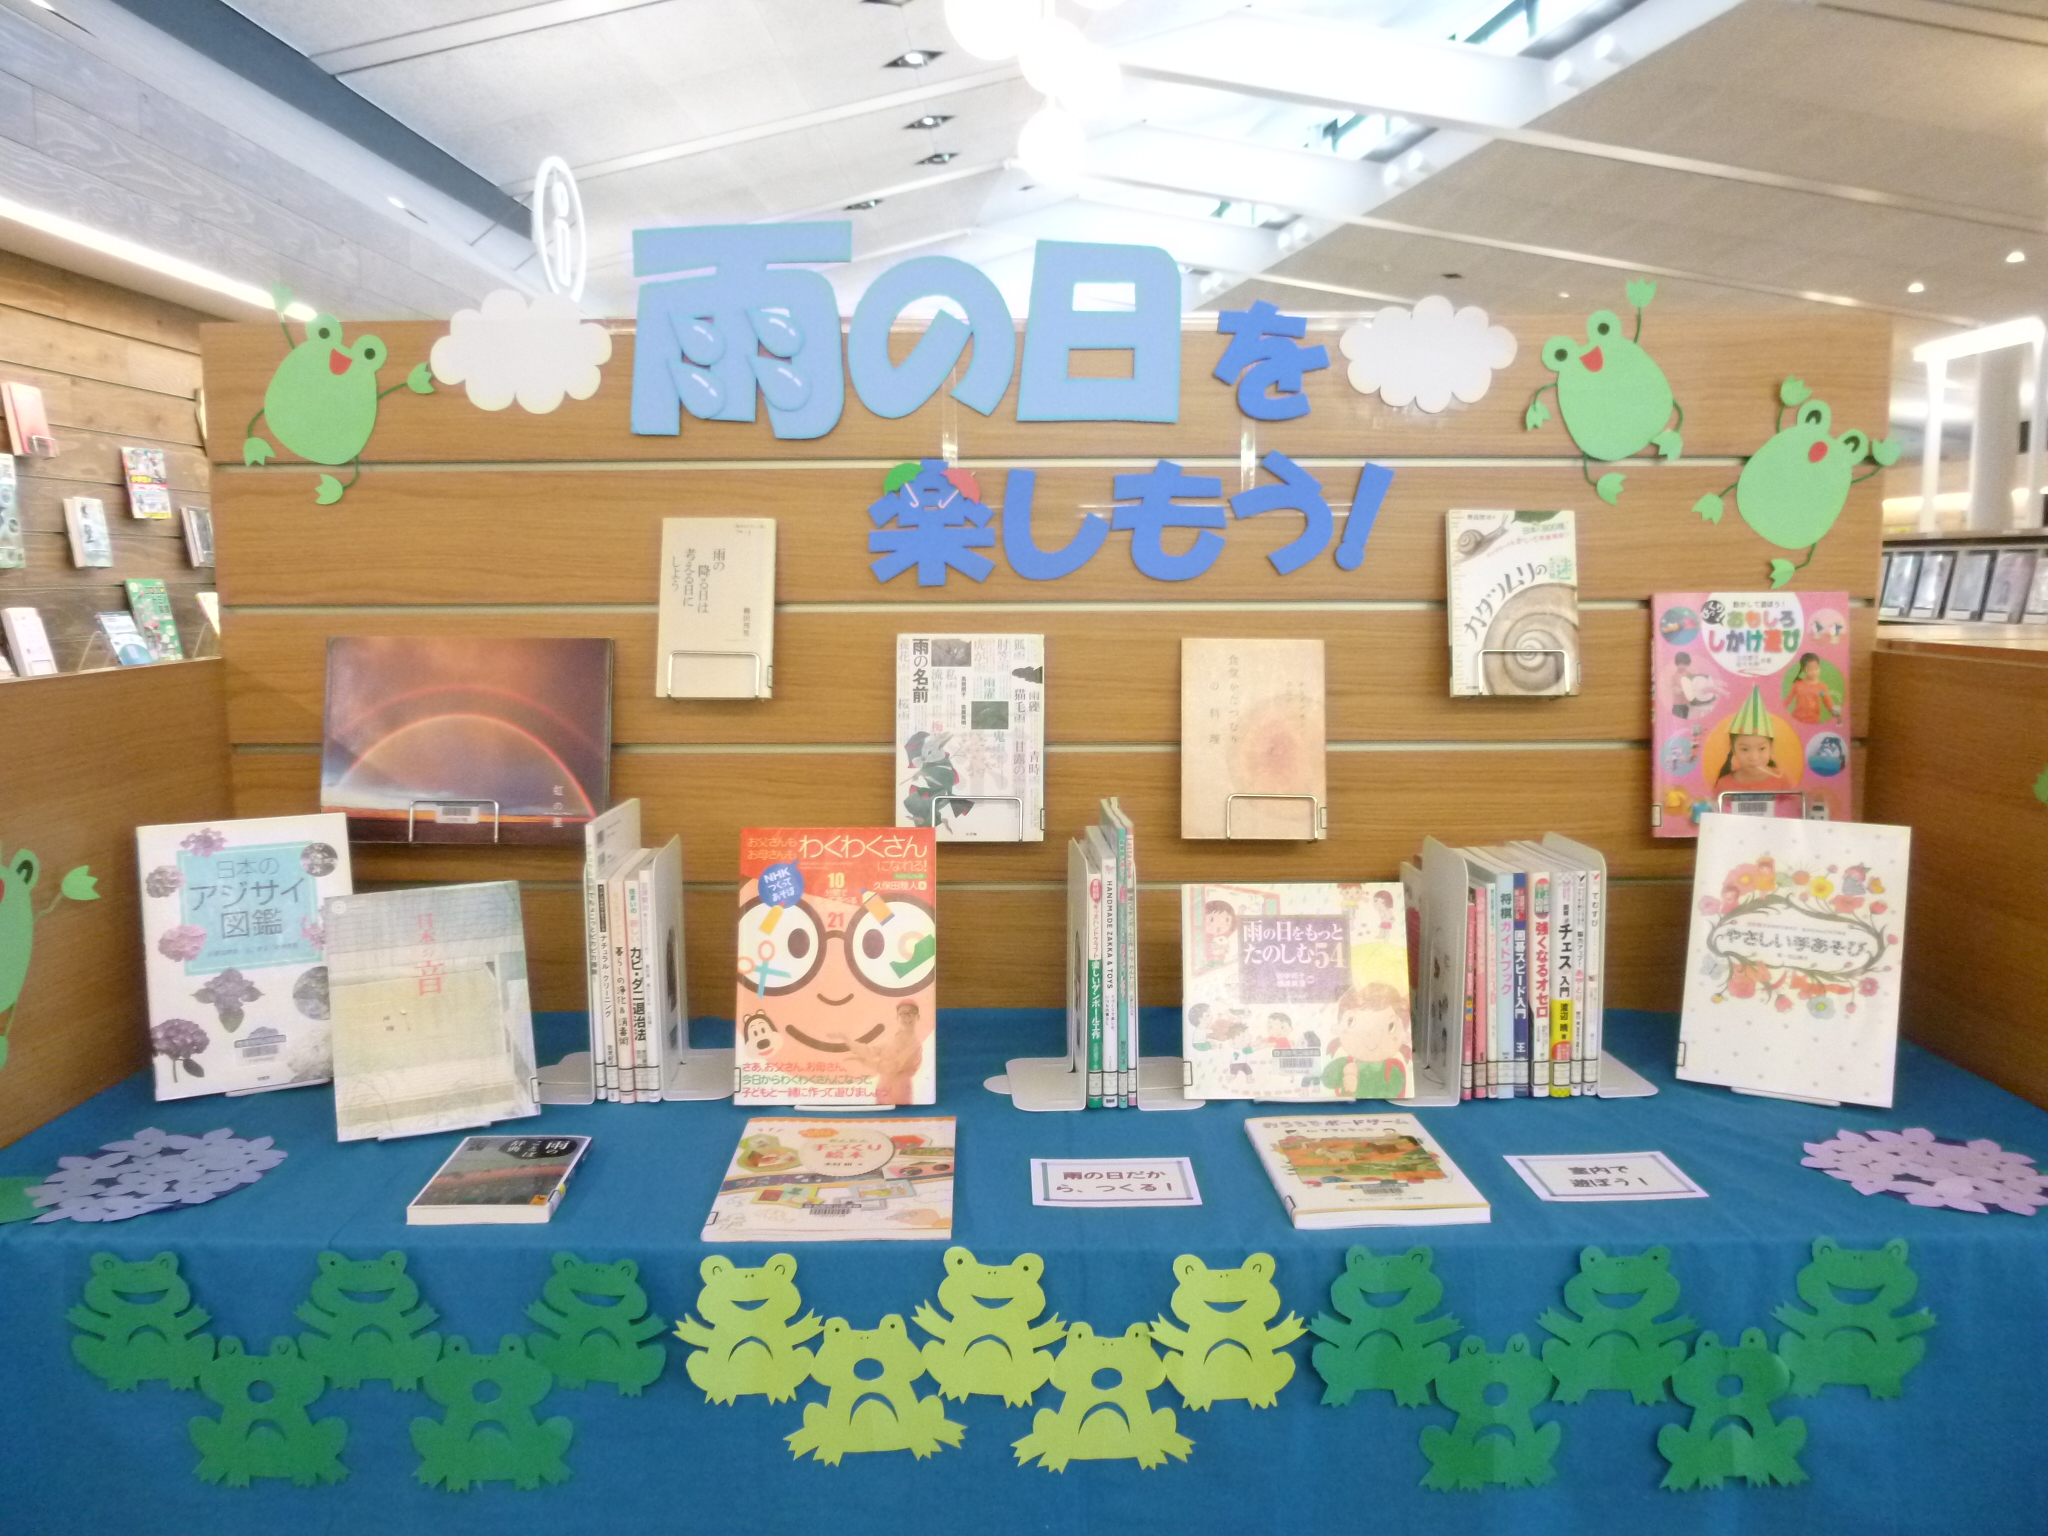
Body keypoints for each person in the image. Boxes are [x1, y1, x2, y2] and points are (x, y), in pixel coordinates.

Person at [1322, 983, 1411, 1099]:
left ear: (1404, 1035)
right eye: (1352, 1022)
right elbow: (1326, 1081)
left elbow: (1394, 1090)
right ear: (1338, 1028)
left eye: (1390, 1027)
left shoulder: (1393, 1068)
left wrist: (1357, 1084)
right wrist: (1346, 1074)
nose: (1370, 1041)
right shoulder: (1344, 1063)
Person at [1712, 685, 1796, 797]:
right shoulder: (1724, 785)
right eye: (1744, 749)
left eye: (1761, 748)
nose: (1753, 757)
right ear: (1733, 749)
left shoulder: (1782, 781)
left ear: (1771, 748)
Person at [1785, 652, 1842, 725]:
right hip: (1797, 720)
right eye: (1810, 670)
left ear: (1819, 667)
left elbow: (1828, 703)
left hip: (1813, 721)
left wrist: (1837, 715)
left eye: (1816, 668)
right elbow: (1788, 700)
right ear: (1804, 669)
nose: (1814, 672)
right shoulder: (1797, 685)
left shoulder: (1822, 687)